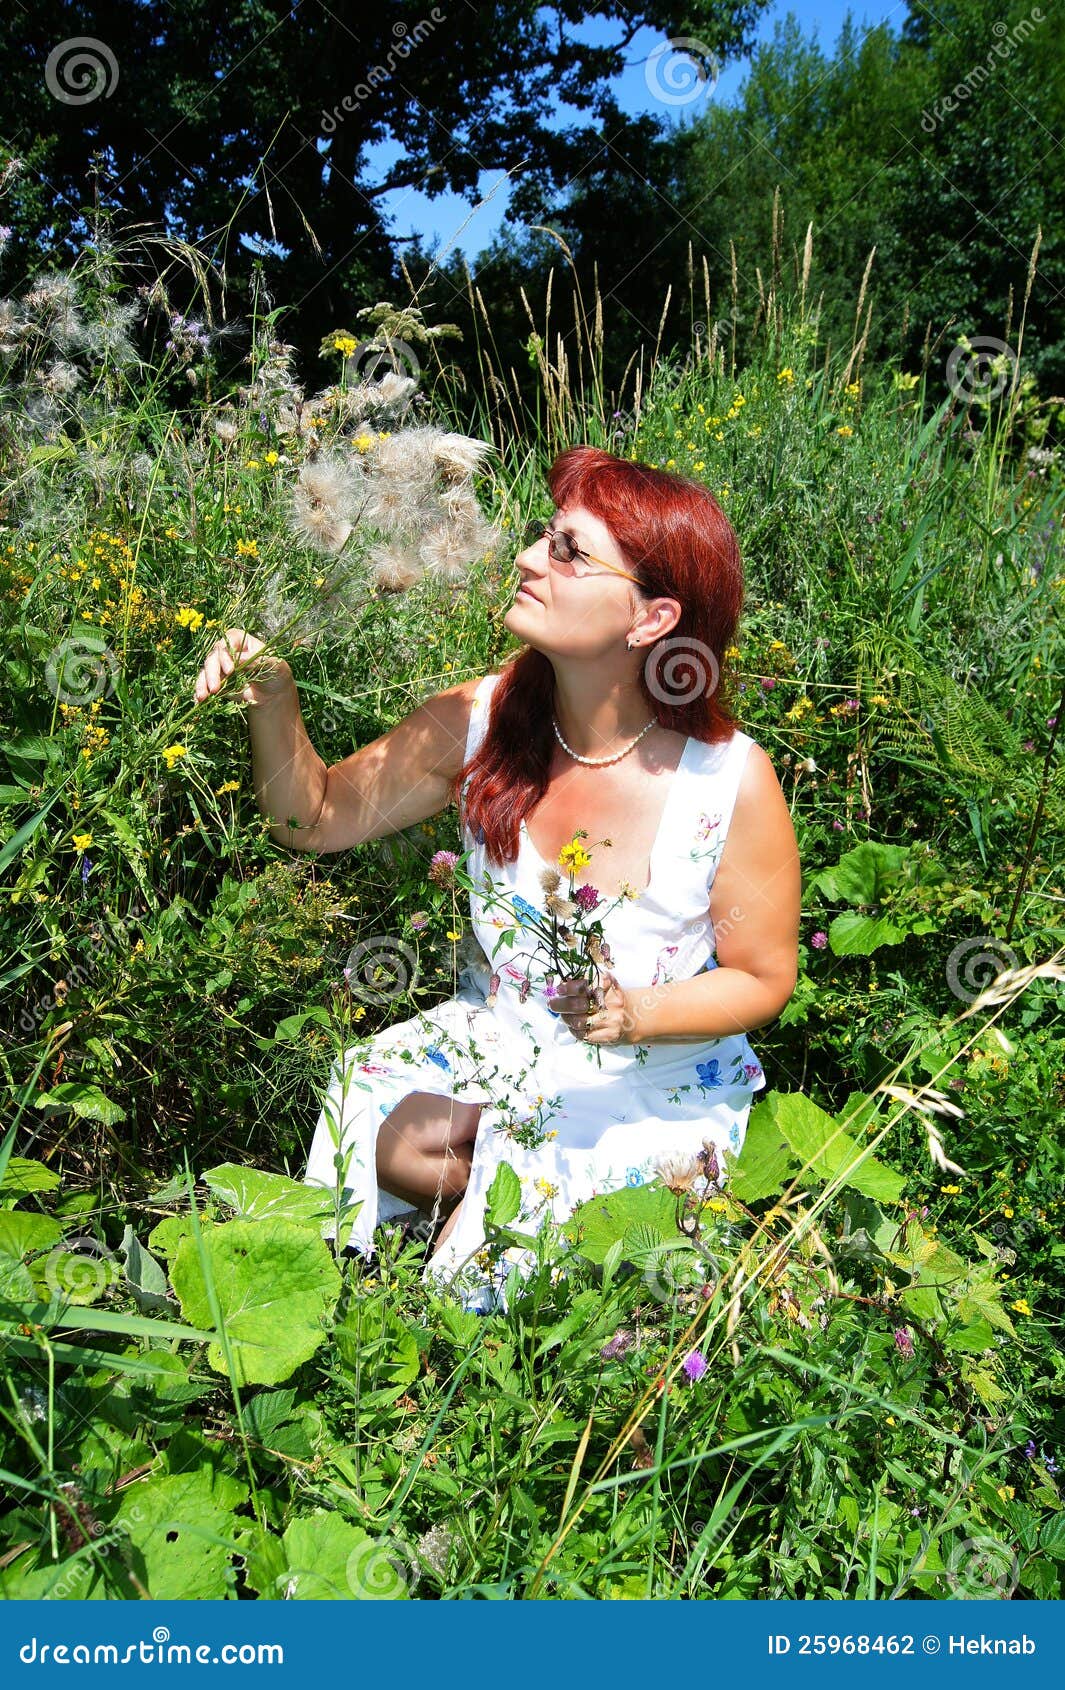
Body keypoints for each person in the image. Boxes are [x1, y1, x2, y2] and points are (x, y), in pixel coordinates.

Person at [193, 446, 801, 1310]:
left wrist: (637, 1014)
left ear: (650, 619)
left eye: (569, 551)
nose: (527, 557)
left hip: (645, 1077)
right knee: (376, 1121)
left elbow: (763, 978)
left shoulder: (727, 780)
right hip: (508, 1039)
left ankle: (540, 1220)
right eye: (542, 536)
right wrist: (273, 694)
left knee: (487, 1300)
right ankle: (498, 1202)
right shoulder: (478, 720)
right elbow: (312, 820)